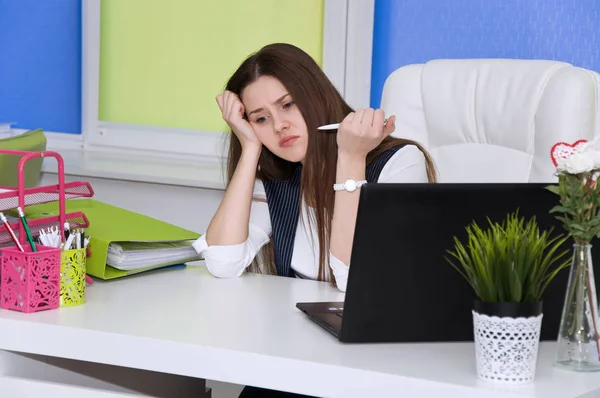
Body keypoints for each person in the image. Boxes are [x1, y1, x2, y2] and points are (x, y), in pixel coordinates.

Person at [192, 43, 436, 396]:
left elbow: (354, 279)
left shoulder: (399, 163)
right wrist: (249, 149)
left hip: (371, 365)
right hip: (294, 356)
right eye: (260, 119)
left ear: (315, 93)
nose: (279, 126)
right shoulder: (278, 175)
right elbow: (223, 261)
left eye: (288, 104)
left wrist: (351, 158)